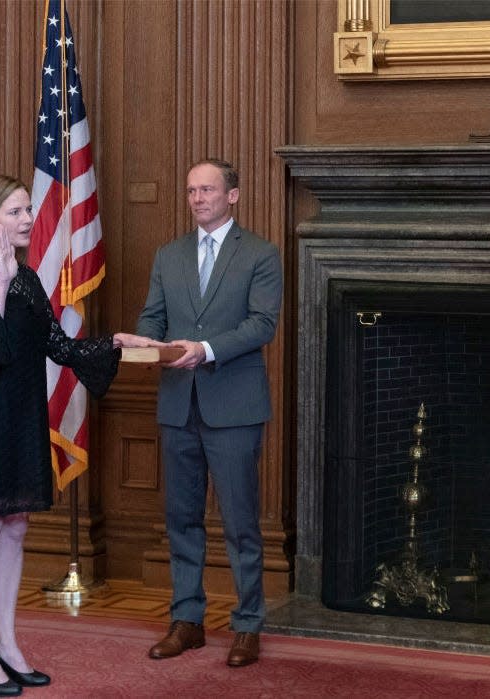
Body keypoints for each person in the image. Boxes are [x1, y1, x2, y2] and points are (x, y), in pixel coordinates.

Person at [0, 175, 162, 697]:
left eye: (27, 210)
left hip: (24, 411)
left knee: (17, 525)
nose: (27, 220)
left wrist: (114, 344)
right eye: (16, 212)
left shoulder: (27, 278)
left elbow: (58, 345)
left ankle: (5, 641)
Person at [137, 159, 282, 667]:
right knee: (180, 519)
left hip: (234, 407)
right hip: (178, 405)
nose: (198, 198)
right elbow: (153, 317)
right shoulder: (168, 255)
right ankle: (187, 621)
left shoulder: (260, 254)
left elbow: (263, 324)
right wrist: (142, 341)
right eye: (192, 190)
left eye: (208, 190)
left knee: (241, 523)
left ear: (233, 196)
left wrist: (206, 348)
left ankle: (247, 625)